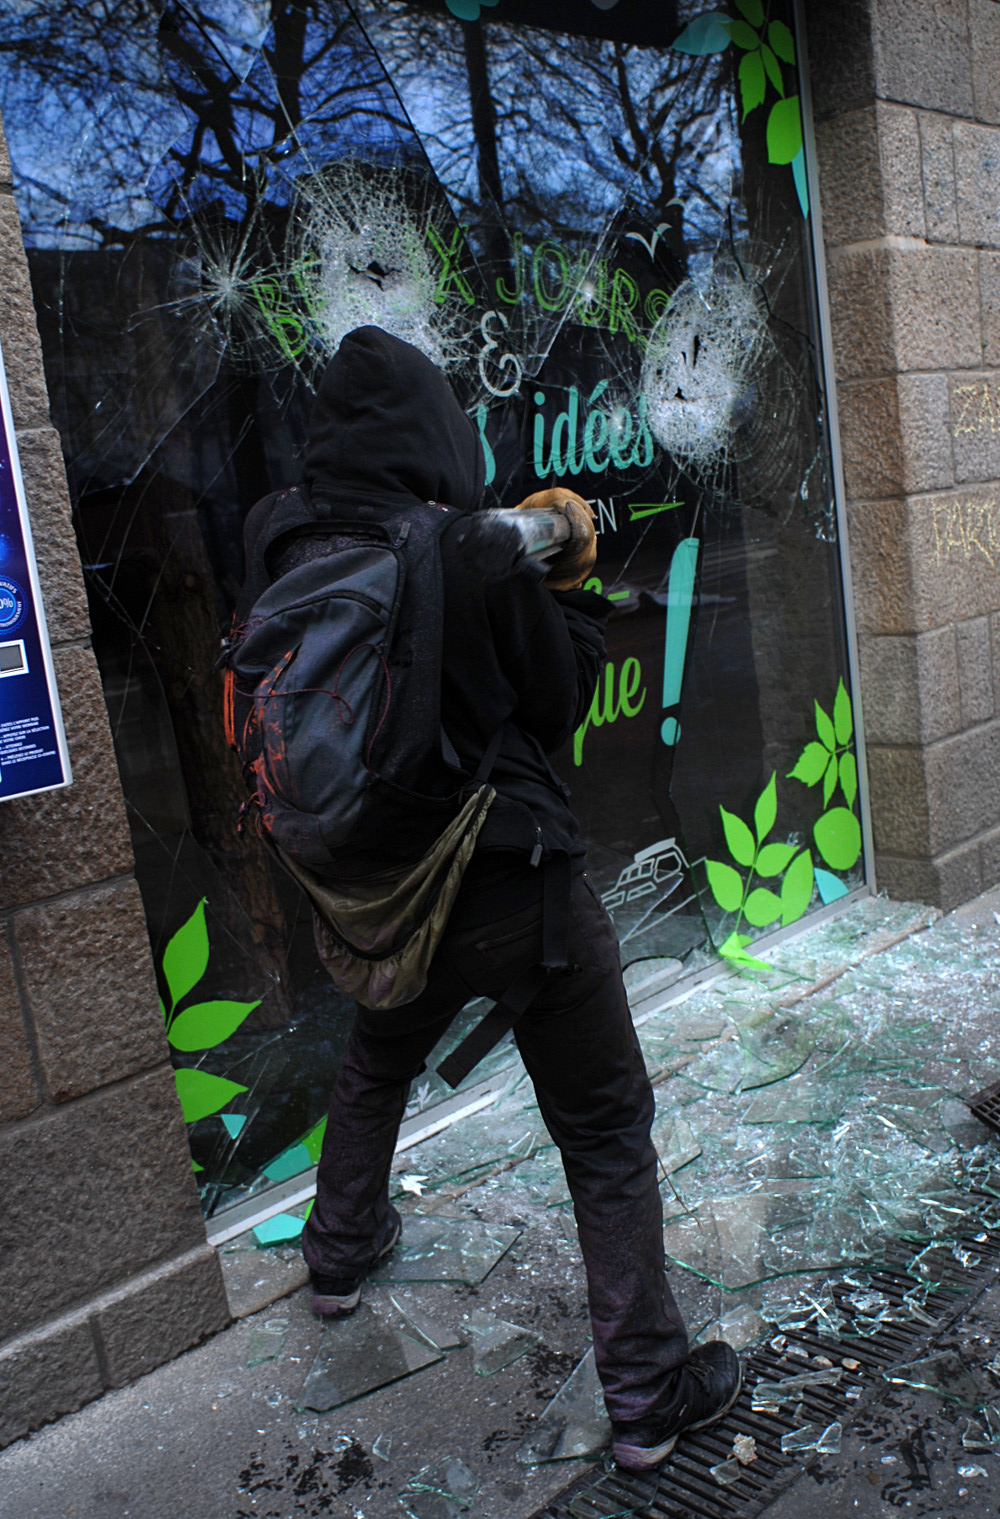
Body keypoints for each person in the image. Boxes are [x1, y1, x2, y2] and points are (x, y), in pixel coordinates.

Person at [246, 326, 741, 1471]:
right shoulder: (464, 547)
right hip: (512, 880)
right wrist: (564, 589)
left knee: (378, 1054)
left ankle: (338, 1257)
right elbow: (558, 703)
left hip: (381, 884)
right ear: (434, 434)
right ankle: (648, 1393)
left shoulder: (285, 540)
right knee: (604, 1130)